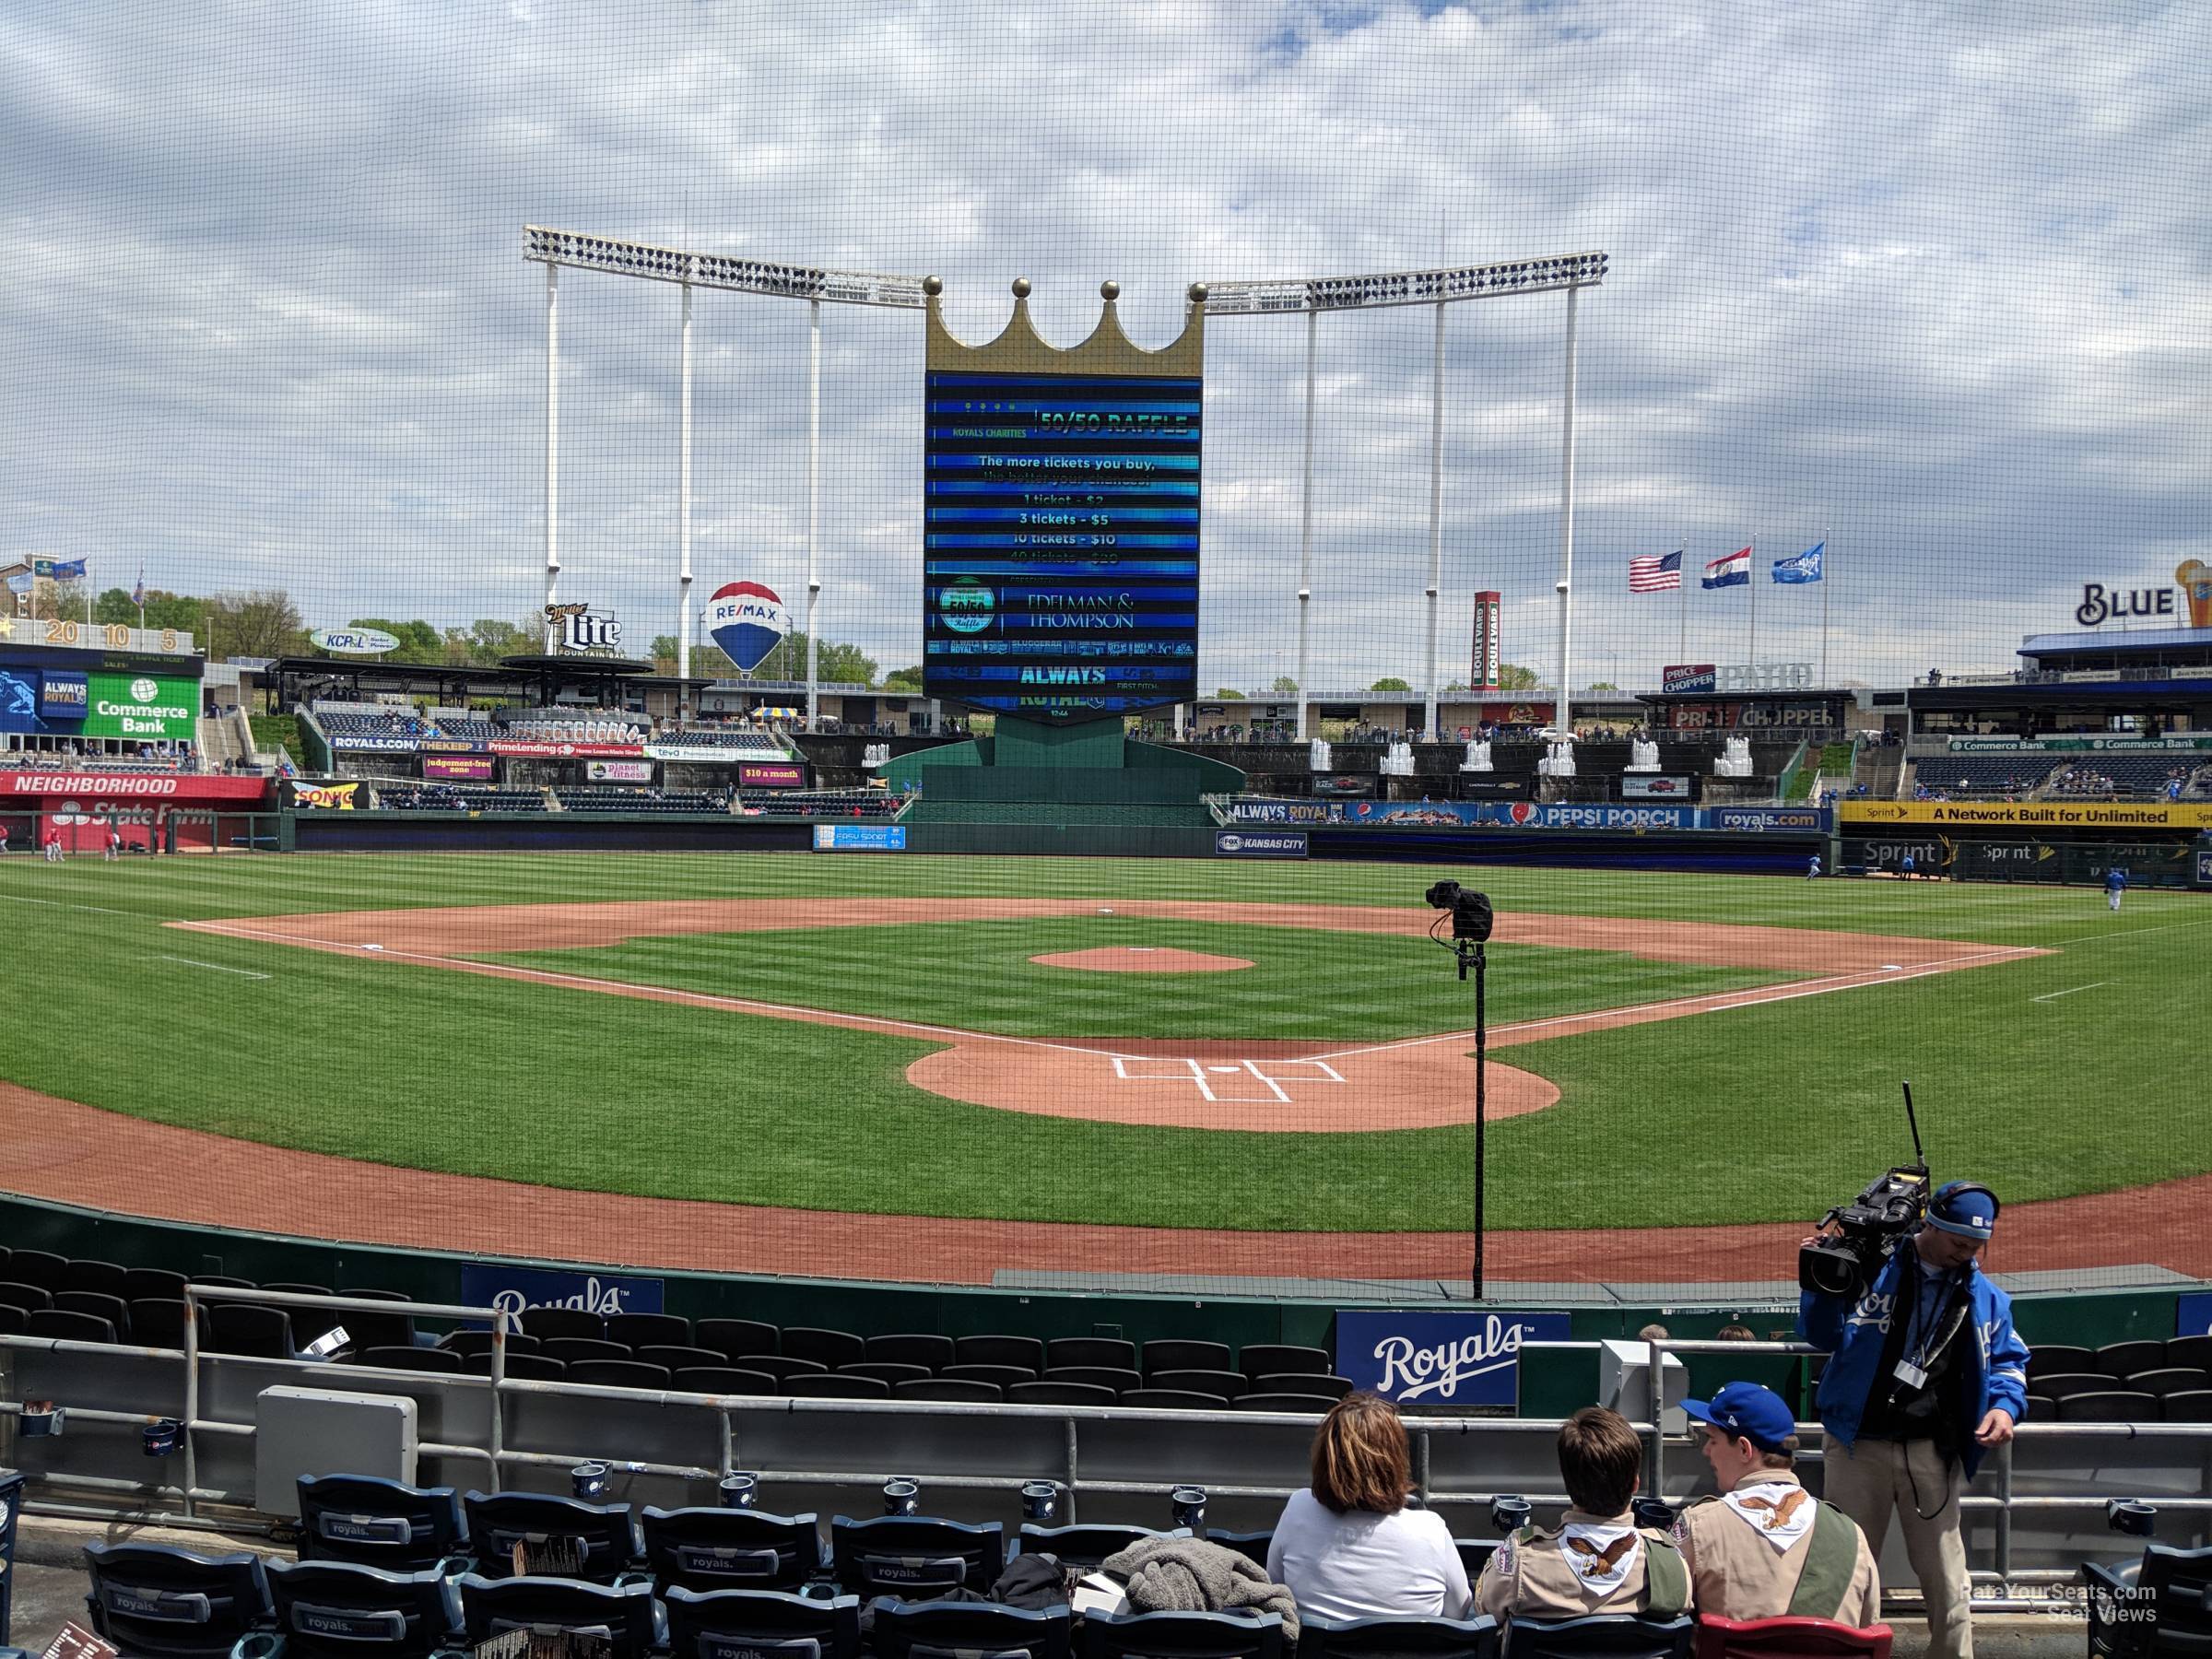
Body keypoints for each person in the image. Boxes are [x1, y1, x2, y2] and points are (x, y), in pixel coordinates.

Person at [1799, 1183, 2030, 1659]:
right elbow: (1821, 1334)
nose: (1965, 1254)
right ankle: (1849, 1653)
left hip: (1932, 1451)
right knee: (1849, 1571)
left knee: (1947, 1577)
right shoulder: (1871, 1270)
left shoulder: (1985, 1297)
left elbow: (2010, 1362)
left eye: (1975, 1247)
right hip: (1856, 1445)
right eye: (1958, 1243)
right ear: (1932, 1226)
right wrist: (1820, 1281)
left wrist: (2005, 1408)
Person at [1673, 1382, 1880, 1625]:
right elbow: (1869, 1627)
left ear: (1743, 1449)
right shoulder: (1850, 1535)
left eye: (1712, 1440)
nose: (1706, 1451)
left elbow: (1668, 1611)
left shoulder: (1700, 1526)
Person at [1267, 1392, 1472, 1617]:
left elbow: (1275, 1591)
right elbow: (1459, 1611)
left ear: (1326, 1457)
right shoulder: (1431, 1529)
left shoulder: (1299, 1508)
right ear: (1396, 1459)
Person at [1477, 1406, 1688, 1619]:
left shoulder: (1520, 1564)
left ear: (1568, 1484)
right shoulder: (1671, 1567)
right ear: (1635, 1483)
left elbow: (1484, 1610)